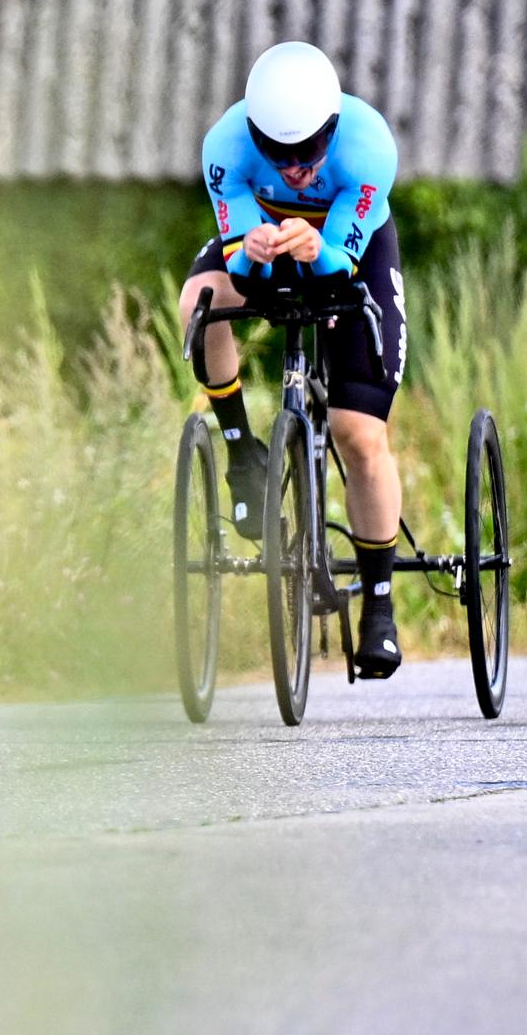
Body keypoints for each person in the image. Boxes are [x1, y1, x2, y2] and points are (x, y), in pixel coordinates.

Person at [178, 40, 408, 678]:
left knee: (358, 434)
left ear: (331, 131)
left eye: (310, 151)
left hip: (345, 248)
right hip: (268, 239)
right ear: (254, 136)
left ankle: (380, 608)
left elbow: (342, 264)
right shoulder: (225, 148)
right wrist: (250, 250)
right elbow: (242, 277)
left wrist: (320, 248)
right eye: (279, 155)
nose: (297, 166)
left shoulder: (367, 148)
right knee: (198, 299)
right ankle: (241, 451)